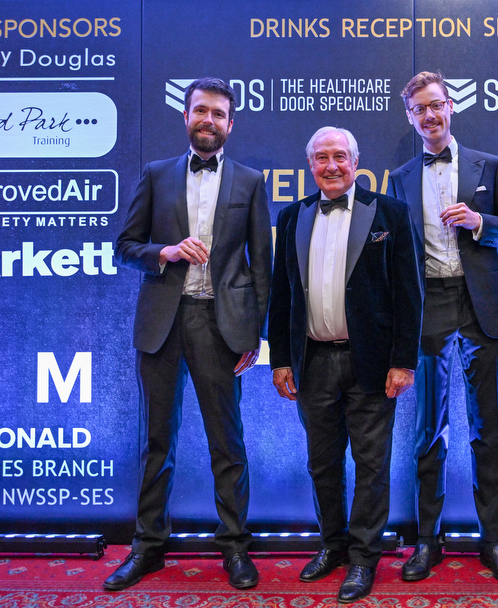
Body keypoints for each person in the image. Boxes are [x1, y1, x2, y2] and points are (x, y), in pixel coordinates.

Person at [109, 77, 271, 591]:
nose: (209, 120)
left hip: (221, 327)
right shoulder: (156, 175)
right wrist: (165, 252)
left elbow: (261, 265)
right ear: (185, 116)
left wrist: (255, 333)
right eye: (201, 110)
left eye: (218, 113)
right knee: (156, 440)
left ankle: (235, 548)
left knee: (228, 442)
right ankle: (148, 547)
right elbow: (124, 246)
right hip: (162, 322)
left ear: (230, 124)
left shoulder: (250, 181)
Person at [268, 126, 422, 604]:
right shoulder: (292, 216)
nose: (331, 165)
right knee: (322, 463)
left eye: (339, 156)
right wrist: (280, 359)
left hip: (372, 362)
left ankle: (363, 558)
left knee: (371, 465)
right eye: (321, 157)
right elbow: (281, 293)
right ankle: (332, 546)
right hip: (312, 360)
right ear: (310, 164)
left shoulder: (390, 213)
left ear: (356, 162)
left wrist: (403, 361)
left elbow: (410, 294)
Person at [389, 70, 498, 585]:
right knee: (429, 430)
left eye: (436, 105)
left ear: (451, 107)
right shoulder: (400, 177)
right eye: (419, 109)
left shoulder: (489, 165)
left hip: (480, 305)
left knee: (487, 429)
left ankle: (493, 541)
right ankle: (428, 541)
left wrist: (479, 223)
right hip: (429, 306)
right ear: (410, 117)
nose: (430, 115)